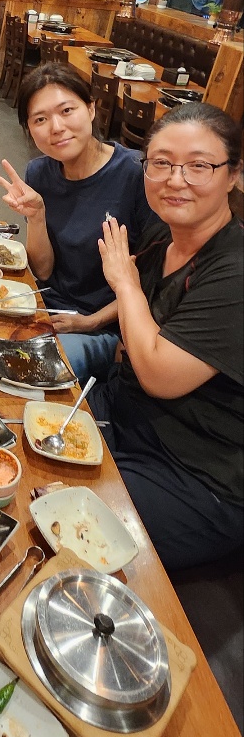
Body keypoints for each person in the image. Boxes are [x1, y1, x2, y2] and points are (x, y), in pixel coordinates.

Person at [92, 102, 243, 573]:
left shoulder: (235, 272)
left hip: (195, 473)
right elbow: (138, 329)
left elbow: (158, 374)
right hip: (128, 418)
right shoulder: (165, 236)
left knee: (59, 520)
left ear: (234, 175)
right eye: (160, 163)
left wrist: (125, 282)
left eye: (199, 165)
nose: (175, 179)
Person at [0, 62, 153, 382]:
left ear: (91, 108)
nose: (56, 127)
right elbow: (43, 272)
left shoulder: (136, 175)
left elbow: (153, 282)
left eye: (67, 110)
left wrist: (91, 322)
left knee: (24, 373)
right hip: (44, 306)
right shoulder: (38, 172)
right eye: (40, 119)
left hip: (105, 326)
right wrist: (36, 217)